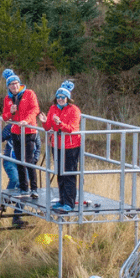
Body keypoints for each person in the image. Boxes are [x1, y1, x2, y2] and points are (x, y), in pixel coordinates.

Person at [39, 81, 82, 212]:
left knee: (69, 174)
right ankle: (62, 200)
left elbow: (72, 129)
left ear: (68, 98)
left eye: (63, 97)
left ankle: (69, 203)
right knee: (59, 173)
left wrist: (61, 123)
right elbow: (48, 128)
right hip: (56, 145)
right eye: (58, 97)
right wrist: (45, 122)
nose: (60, 99)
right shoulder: (53, 108)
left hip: (71, 146)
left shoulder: (74, 110)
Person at [1, 70, 41, 198]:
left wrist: (27, 121)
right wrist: (11, 112)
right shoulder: (8, 98)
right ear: (8, 86)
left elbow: (35, 109)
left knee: (28, 160)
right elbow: (5, 116)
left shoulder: (29, 93)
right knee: (19, 161)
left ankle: (34, 189)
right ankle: (24, 188)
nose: (15, 86)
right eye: (12, 84)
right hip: (16, 131)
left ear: (20, 83)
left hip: (29, 131)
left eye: (17, 83)